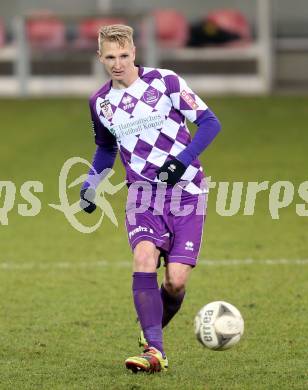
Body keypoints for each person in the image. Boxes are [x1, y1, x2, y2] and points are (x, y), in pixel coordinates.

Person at [80, 24, 221, 373]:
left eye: (124, 56)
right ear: (100, 57)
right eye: (110, 57)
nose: (117, 64)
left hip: (187, 190)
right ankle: (155, 351)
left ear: (134, 52)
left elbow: (209, 123)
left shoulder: (166, 82)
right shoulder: (100, 103)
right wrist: (91, 184)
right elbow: (105, 147)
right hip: (143, 194)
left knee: (175, 281)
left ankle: (151, 331)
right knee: (143, 256)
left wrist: (181, 162)